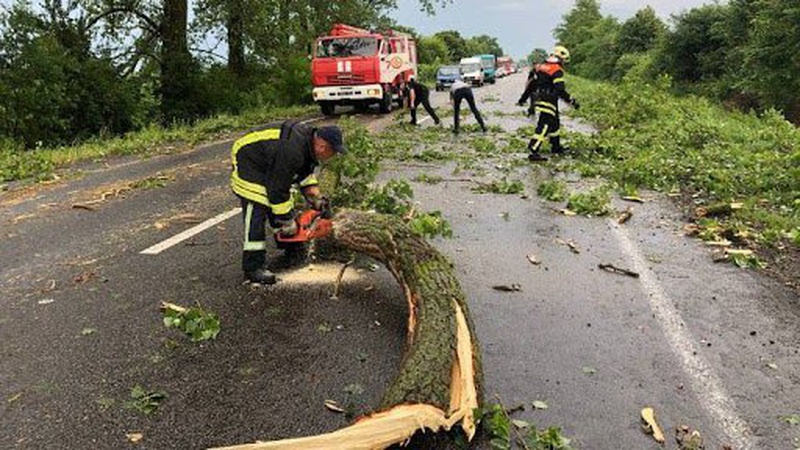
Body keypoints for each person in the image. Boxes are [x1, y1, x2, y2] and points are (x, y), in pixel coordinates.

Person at [230, 120, 345, 285]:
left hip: (272, 161)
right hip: (249, 160)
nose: (333, 156)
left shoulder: (307, 145)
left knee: (283, 208)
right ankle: (253, 268)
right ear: (323, 146)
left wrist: (317, 199)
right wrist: (287, 220)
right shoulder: (291, 151)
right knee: (258, 207)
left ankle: (292, 250)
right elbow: (278, 190)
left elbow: (304, 173)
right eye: (333, 152)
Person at [516, 45, 580, 162]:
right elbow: (560, 90)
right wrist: (571, 101)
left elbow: (532, 85)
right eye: (564, 61)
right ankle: (533, 150)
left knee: (555, 123)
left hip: (540, 98)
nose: (564, 64)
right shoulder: (556, 70)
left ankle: (556, 147)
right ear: (561, 59)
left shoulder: (542, 67)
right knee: (545, 125)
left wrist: (523, 99)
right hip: (549, 101)